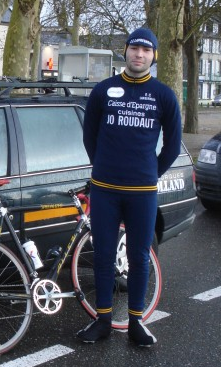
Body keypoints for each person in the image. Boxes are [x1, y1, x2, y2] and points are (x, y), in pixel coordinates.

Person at [78, 28, 181, 347]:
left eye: (146, 50)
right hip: (105, 190)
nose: (139, 54)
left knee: (138, 257)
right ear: (125, 51)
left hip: (143, 193)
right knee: (104, 256)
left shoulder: (164, 95)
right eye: (135, 48)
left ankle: (136, 321)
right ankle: (103, 320)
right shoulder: (103, 90)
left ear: (154, 56)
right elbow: (89, 135)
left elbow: (173, 146)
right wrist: (105, 167)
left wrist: (149, 173)